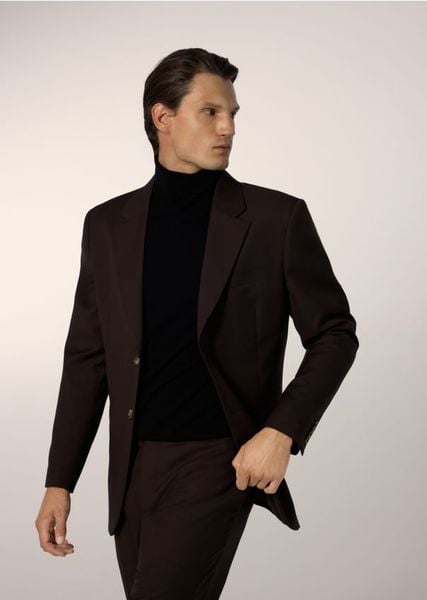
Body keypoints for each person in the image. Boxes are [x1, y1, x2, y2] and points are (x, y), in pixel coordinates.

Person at [35, 47, 359, 599]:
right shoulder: (107, 225)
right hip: (132, 466)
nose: (228, 127)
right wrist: (59, 481)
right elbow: (88, 358)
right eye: (210, 111)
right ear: (163, 117)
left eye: (232, 114)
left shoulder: (275, 219)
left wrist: (280, 431)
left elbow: (334, 333)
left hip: (217, 459)